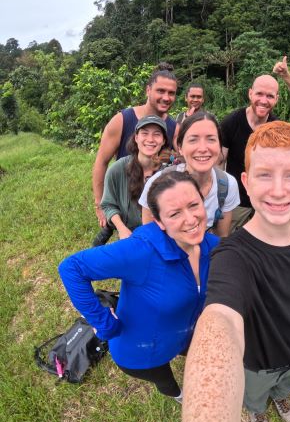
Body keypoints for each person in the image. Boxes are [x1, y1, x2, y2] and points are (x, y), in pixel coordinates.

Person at [182, 121, 290, 422]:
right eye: (265, 175)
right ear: (246, 183)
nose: (278, 190)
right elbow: (219, 320)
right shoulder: (231, 256)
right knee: (256, 395)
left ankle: (282, 397)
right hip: (257, 363)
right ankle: (258, 411)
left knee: (288, 384)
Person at [59, 170, 220, 403]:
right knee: (165, 380)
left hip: (181, 333)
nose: (191, 219)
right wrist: (104, 323)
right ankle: (178, 396)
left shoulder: (211, 244)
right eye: (175, 213)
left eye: (194, 205)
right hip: (140, 348)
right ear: (159, 222)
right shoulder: (141, 252)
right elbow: (71, 268)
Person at [92, 63, 180, 245]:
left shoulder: (174, 128)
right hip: (125, 205)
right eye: (160, 91)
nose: (166, 97)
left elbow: (178, 161)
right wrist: (99, 203)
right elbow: (101, 161)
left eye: (171, 93)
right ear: (148, 90)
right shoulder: (123, 120)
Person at [140, 111, 240, 237]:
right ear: (180, 147)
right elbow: (149, 237)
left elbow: (220, 238)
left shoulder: (227, 184)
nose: (203, 148)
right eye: (193, 140)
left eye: (211, 139)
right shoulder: (157, 184)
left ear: (220, 146)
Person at [219, 74, 279, 231]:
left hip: (265, 204)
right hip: (236, 203)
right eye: (259, 94)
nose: (264, 100)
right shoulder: (231, 122)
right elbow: (219, 163)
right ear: (250, 93)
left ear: (277, 99)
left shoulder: (277, 128)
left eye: (270, 96)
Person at [98, 115, 168, 242]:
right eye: (144, 133)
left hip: (162, 236)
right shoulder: (118, 169)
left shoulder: (169, 173)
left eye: (157, 134)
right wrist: (121, 228)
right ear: (136, 137)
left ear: (163, 140)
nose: (150, 139)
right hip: (129, 235)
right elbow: (108, 205)